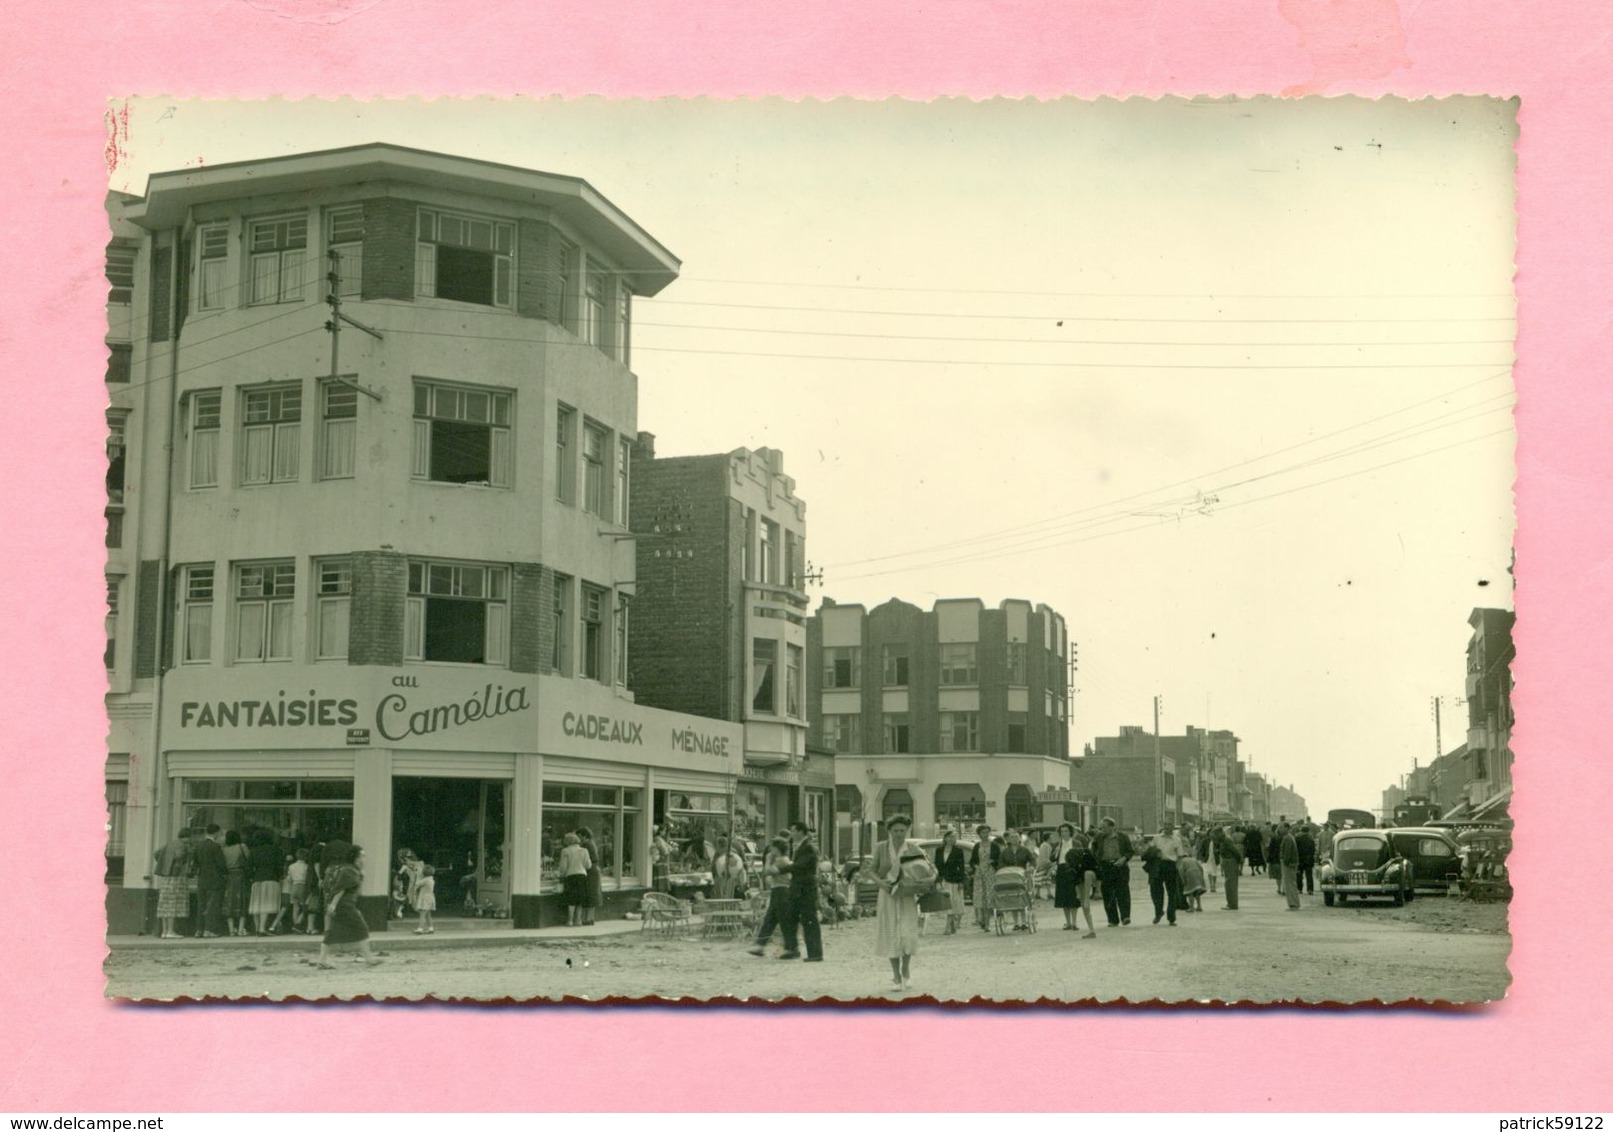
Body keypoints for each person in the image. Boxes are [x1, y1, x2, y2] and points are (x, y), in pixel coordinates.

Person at [872, 815, 932, 991]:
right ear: (889, 831)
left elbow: (929, 870)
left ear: (908, 831)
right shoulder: (881, 848)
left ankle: (906, 970)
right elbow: (871, 870)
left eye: (902, 831)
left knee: (907, 933)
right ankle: (896, 977)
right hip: (887, 897)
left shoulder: (913, 849)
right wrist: (881, 883)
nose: (899, 834)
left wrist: (922, 882)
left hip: (907, 896)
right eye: (896, 830)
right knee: (891, 933)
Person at [315, 842, 382, 968]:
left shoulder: (353, 870)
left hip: (344, 905)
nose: (364, 858)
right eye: (362, 856)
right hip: (344, 905)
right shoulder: (350, 871)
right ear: (355, 858)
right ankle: (369, 959)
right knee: (362, 928)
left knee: (331, 933)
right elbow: (341, 889)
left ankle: (322, 961)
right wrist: (333, 905)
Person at [775, 820, 823, 962]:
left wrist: (779, 869)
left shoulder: (808, 847)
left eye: (794, 830)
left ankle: (815, 953)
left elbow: (799, 866)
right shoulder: (799, 846)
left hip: (806, 888)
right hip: (798, 888)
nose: (792, 833)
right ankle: (792, 949)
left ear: (801, 831)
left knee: (809, 919)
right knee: (790, 917)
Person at [748, 836, 794, 957]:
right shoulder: (783, 859)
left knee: (782, 920)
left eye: (773, 847)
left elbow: (767, 872)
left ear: (777, 848)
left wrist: (768, 860)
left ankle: (791, 947)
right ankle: (760, 945)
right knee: (770, 919)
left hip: (781, 890)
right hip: (778, 890)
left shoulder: (781, 860)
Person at [1053, 823, 1098, 937]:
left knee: (1074, 896)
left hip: (1073, 869)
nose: (1064, 833)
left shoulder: (1076, 843)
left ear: (1070, 832)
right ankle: (1068, 922)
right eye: (1062, 831)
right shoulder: (1058, 844)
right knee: (1064, 897)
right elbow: (1052, 858)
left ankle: (1074, 922)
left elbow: (1080, 857)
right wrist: (1056, 851)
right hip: (1061, 870)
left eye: (1066, 831)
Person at [153, 828, 193, 940]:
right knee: (173, 904)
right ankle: (170, 931)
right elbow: (179, 856)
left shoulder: (169, 844)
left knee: (165, 905)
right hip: (177, 877)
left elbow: (156, 854)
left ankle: (165, 931)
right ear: (188, 836)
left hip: (167, 878)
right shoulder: (182, 846)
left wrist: (166, 864)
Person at [1093, 817, 1134, 927]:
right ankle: (1112, 920)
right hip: (1105, 867)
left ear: (1112, 827)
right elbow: (1094, 849)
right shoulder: (1099, 837)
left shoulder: (1123, 837)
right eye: (1101, 827)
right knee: (1107, 894)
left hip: (1120, 866)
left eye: (1104, 827)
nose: (1102, 830)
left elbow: (1130, 851)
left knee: (1123, 892)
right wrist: (1098, 861)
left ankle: (1125, 916)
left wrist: (1123, 859)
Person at [246, 828, 284, 937]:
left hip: (257, 880)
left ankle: (257, 928)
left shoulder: (254, 851)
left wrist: (253, 876)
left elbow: (248, 868)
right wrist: (278, 876)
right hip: (271, 879)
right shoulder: (276, 850)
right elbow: (279, 866)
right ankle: (262, 928)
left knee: (256, 905)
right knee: (266, 905)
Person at [192, 823, 227, 938]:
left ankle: (199, 930)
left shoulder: (199, 845)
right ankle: (209, 929)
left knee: (201, 905)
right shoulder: (215, 847)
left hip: (202, 879)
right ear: (216, 833)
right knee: (213, 905)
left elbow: (195, 864)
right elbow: (221, 864)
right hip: (215, 879)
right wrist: (225, 874)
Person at [933, 829, 968, 934]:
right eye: (949, 837)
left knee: (952, 903)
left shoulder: (958, 851)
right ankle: (952, 925)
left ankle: (947, 927)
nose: (951, 839)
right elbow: (937, 865)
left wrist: (961, 881)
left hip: (954, 880)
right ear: (945, 838)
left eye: (953, 837)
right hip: (942, 879)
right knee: (947, 903)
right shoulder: (939, 850)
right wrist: (937, 879)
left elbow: (961, 868)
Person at [1151, 823, 1185, 925]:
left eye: (1169, 825)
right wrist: (1154, 852)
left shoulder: (1176, 839)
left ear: (1172, 827)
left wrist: (1179, 869)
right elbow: (1150, 850)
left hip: (1171, 866)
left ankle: (1171, 918)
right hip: (1158, 865)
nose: (1167, 827)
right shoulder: (1156, 838)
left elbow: (1179, 856)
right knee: (1156, 890)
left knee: (1172, 893)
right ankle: (1158, 912)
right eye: (1165, 825)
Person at [968, 824, 1000, 931]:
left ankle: (987, 923)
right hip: (979, 873)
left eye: (987, 832)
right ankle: (980, 919)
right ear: (979, 834)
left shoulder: (994, 845)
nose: (985, 834)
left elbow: (998, 859)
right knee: (979, 897)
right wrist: (976, 867)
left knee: (989, 897)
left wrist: (992, 863)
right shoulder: (977, 846)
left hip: (990, 872)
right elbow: (972, 860)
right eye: (983, 832)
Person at [557, 832, 591, 927]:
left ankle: (570, 921)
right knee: (580, 899)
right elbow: (588, 865)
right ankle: (578, 920)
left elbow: (563, 867)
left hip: (571, 876)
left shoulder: (565, 851)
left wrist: (561, 875)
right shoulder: (584, 851)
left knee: (571, 899)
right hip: (582, 875)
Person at [221, 829, 249, 937]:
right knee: (242, 902)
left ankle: (231, 930)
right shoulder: (242, 847)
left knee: (229, 902)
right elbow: (248, 859)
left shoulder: (224, 849)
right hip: (240, 875)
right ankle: (241, 929)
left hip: (229, 876)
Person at [577, 828, 602, 926]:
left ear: (584, 835)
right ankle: (590, 918)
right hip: (594, 870)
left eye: (579, 836)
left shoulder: (586, 845)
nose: (579, 839)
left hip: (590, 871)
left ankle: (587, 919)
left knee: (589, 894)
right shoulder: (592, 843)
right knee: (593, 894)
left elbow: (586, 860)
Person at [1215, 825, 1244, 910]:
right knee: (1228, 883)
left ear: (1221, 832)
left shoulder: (1227, 840)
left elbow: (1235, 851)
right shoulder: (1223, 840)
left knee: (1231, 884)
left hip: (1230, 861)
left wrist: (1238, 861)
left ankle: (1233, 904)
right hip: (1227, 861)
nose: (1216, 836)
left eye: (1216, 834)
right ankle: (1230, 903)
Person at [711, 835, 746, 900]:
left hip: (731, 886)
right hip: (730, 885)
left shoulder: (732, 854)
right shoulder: (719, 855)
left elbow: (714, 871)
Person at [286, 848, 311, 934]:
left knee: (295, 907)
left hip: (294, 886)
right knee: (305, 907)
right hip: (302, 885)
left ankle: (295, 925)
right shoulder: (306, 866)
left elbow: (289, 879)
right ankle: (297, 924)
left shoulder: (291, 866)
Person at [1176, 848, 1206, 913]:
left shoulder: (1181, 861)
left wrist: (1183, 880)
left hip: (1189, 874)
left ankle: (1191, 907)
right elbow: (1201, 868)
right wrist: (1201, 877)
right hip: (1198, 873)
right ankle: (1199, 906)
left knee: (1190, 892)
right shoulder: (1193, 859)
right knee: (1197, 891)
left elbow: (1181, 871)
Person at [1279, 822, 1301, 910]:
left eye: (1281, 827)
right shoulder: (1289, 837)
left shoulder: (1287, 838)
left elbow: (1287, 852)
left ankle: (1293, 904)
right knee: (1291, 884)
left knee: (1290, 884)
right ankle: (1294, 903)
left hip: (1289, 864)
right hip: (1291, 863)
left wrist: (1285, 862)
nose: (1280, 829)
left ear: (1287, 828)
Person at [1295, 822, 1317, 895]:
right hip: (1309, 859)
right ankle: (1310, 890)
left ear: (1301, 830)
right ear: (1308, 831)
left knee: (1299, 875)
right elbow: (1313, 849)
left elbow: (1295, 849)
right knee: (1309, 875)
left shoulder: (1297, 838)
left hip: (1300, 859)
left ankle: (1299, 889)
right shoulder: (1311, 839)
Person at [413, 864, 437, 934]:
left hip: (425, 898)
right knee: (428, 914)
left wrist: (418, 875)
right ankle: (431, 928)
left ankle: (420, 928)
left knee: (422, 914)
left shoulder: (425, 880)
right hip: (430, 898)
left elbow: (417, 884)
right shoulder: (431, 879)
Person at [651, 825, 675, 893]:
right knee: (661, 880)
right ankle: (661, 892)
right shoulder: (658, 839)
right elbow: (665, 851)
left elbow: (669, 848)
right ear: (660, 831)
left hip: (663, 861)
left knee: (663, 879)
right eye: (664, 830)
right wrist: (669, 849)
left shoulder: (661, 839)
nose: (665, 832)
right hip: (660, 861)